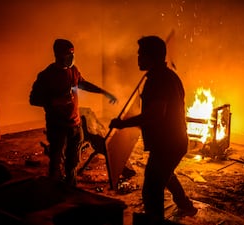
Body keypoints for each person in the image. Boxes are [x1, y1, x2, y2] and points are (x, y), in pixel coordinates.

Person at [109, 36, 197, 224]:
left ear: (152, 56)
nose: (138, 57)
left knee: (151, 190)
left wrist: (122, 124)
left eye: (141, 54)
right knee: (165, 173)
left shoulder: (158, 80)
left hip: (168, 144)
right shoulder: (169, 76)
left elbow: (155, 115)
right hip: (174, 142)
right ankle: (185, 205)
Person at [29, 38, 117, 186]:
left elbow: (82, 83)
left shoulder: (73, 70)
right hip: (57, 126)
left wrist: (103, 92)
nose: (71, 58)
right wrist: (54, 101)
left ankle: (71, 187)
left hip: (75, 125)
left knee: (73, 161)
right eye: (67, 54)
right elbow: (33, 99)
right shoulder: (46, 75)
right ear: (57, 55)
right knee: (56, 160)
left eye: (72, 54)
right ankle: (55, 190)